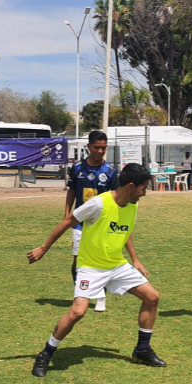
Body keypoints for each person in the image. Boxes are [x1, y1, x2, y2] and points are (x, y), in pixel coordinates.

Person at [28, 163, 164, 378]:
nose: (144, 193)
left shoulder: (132, 204)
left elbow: (125, 231)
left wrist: (135, 260)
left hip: (116, 265)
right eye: (143, 188)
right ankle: (46, 353)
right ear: (131, 186)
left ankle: (142, 349)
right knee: (77, 312)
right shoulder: (99, 204)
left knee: (152, 297)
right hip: (91, 267)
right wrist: (44, 248)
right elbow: (68, 220)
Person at [65, 130, 119, 312]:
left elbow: (116, 198)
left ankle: (100, 296)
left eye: (103, 148)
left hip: (101, 223)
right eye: (97, 147)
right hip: (80, 222)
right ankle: (79, 293)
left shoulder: (110, 171)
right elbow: (71, 190)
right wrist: (67, 214)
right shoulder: (78, 167)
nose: (100, 151)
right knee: (78, 260)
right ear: (89, 147)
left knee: (99, 259)